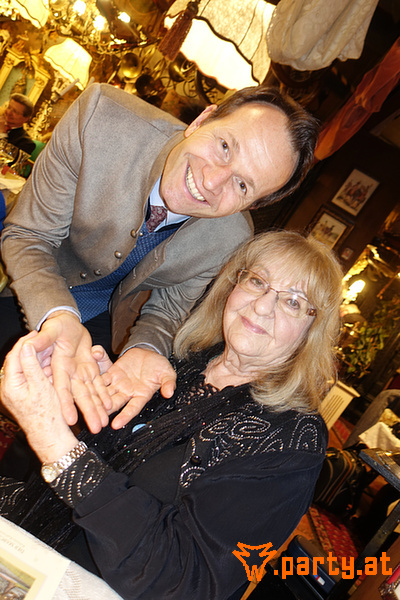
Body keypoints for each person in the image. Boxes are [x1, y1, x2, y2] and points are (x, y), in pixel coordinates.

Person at [0, 231, 343, 600]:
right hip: (45, 540)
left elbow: (184, 580)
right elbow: (117, 463)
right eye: (257, 281)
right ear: (233, 285)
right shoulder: (186, 359)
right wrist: (84, 393)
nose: (262, 306)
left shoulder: (293, 437)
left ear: (312, 330)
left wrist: (53, 440)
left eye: (293, 302)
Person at [0, 83, 319, 435]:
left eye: (243, 185)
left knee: (71, 422)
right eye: (225, 146)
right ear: (202, 120)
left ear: (253, 205)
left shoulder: (232, 238)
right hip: (26, 278)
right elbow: (29, 235)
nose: (211, 181)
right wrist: (58, 314)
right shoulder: (100, 118)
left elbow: (167, 310)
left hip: (105, 321)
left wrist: (147, 347)